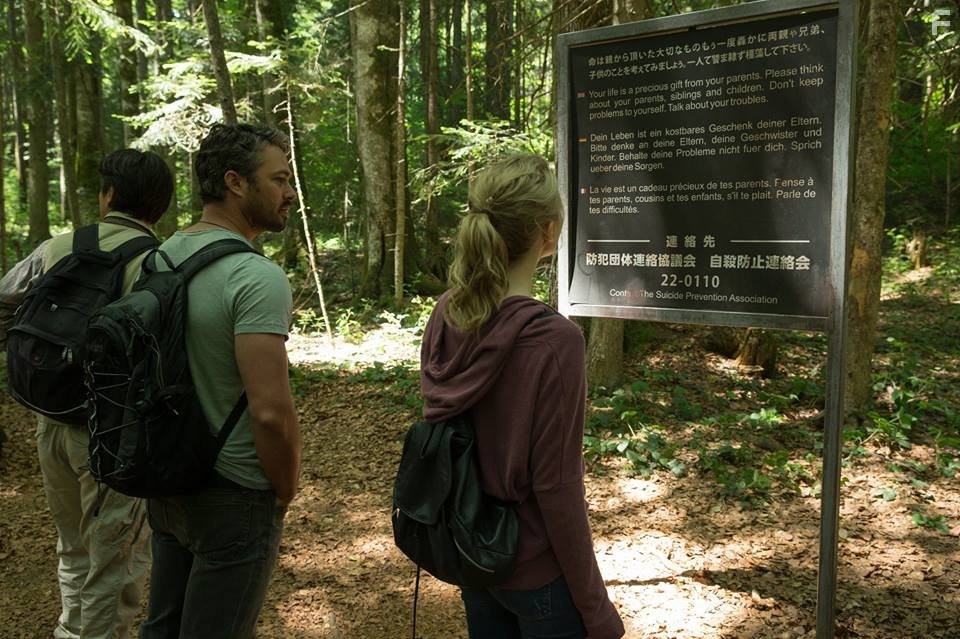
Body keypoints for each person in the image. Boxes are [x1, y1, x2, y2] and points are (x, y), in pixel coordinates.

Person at [419, 153, 625, 639]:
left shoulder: (448, 312)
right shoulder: (555, 341)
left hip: (473, 553)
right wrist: (595, 608)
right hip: (537, 575)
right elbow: (557, 488)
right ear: (548, 232)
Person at [0, 149, 173, 639]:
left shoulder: (59, 247)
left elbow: (4, 300)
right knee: (114, 561)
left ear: (108, 195)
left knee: (73, 545)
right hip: (113, 436)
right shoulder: (157, 263)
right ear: (159, 207)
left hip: (49, 418)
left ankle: (69, 630)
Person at [138, 123, 300, 639]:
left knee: (162, 627)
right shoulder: (254, 276)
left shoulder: (159, 258)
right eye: (278, 179)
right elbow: (269, 412)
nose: (289, 193)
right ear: (235, 182)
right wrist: (284, 487)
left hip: (167, 478)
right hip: (235, 492)